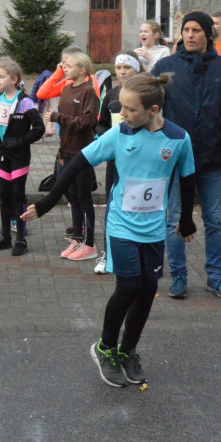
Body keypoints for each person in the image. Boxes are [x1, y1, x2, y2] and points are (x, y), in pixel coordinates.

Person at [22, 73, 197, 387]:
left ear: (154, 110)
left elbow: (187, 178)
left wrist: (185, 221)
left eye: (130, 109)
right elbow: (77, 164)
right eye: (123, 108)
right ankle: (105, 347)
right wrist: (48, 202)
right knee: (128, 286)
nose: (123, 115)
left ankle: (127, 351)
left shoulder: (178, 139)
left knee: (146, 291)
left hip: (154, 230)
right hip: (121, 226)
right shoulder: (119, 135)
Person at [152, 11, 221, 300]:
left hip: (212, 157)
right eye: (186, 30)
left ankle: (215, 276)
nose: (190, 35)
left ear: (208, 35)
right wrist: (162, 136)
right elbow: (151, 105)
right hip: (176, 158)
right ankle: (178, 276)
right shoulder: (166, 67)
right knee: (175, 218)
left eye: (196, 30)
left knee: (214, 220)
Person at [0, 60, 45, 255]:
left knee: (18, 195)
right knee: (4, 195)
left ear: (14, 80)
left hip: (19, 156)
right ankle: (5, 238)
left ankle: (20, 240)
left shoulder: (24, 101)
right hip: (1, 154)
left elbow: (39, 129)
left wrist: (19, 142)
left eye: (1, 77)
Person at [47, 51, 101, 261]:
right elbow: (65, 128)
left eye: (68, 65)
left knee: (83, 196)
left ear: (82, 70)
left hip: (82, 153)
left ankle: (89, 244)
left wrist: (57, 117)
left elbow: (87, 122)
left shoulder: (88, 92)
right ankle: (78, 238)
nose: (64, 68)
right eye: (63, 65)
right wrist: (61, 152)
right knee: (71, 196)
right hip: (66, 152)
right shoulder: (67, 89)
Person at [93, 52, 141, 273]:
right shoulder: (111, 94)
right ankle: (108, 254)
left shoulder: (145, 94)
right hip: (116, 161)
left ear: (137, 70)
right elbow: (100, 124)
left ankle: (140, 252)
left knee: (138, 207)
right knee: (113, 206)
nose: (122, 72)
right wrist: (108, 137)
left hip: (141, 162)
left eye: (127, 67)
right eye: (118, 67)